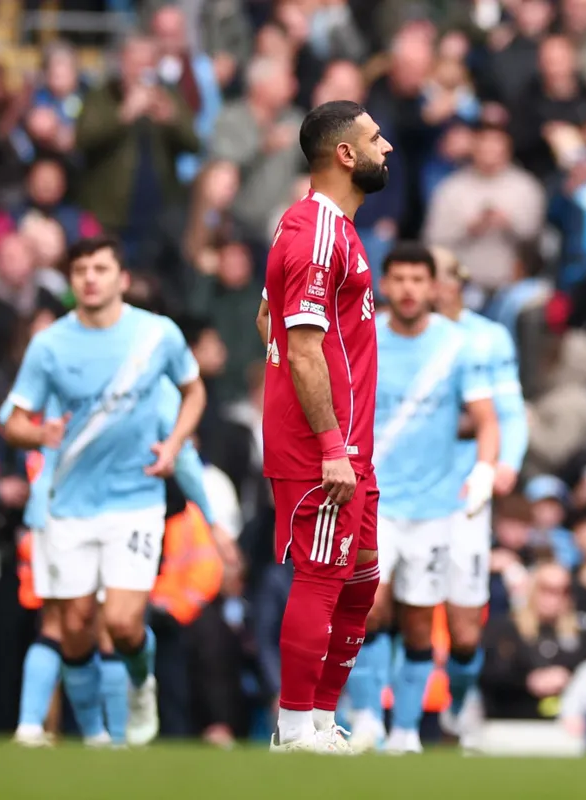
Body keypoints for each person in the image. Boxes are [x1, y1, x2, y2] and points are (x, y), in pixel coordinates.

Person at [0, 235, 208, 748]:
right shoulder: (50, 345)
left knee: (121, 622)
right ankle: (94, 736)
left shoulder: (156, 335)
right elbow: (12, 421)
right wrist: (39, 433)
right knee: (73, 627)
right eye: (80, 271)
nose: (90, 278)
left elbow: (194, 389)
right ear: (71, 282)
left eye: (100, 268)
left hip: (134, 501)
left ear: (122, 278)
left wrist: (174, 445)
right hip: (67, 506)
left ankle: (141, 686)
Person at [261, 100, 391, 753]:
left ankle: (318, 721)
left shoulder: (329, 228)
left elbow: (269, 320)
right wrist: (330, 444)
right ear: (345, 155)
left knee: (361, 577)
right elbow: (303, 346)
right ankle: (292, 728)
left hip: (348, 445)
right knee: (320, 575)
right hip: (324, 449)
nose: (387, 146)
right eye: (374, 137)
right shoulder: (315, 233)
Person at [6, 378, 225, 748]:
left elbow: (180, 441)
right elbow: (13, 423)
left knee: (111, 626)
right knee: (65, 624)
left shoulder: (97, 360)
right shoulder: (76, 356)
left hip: (113, 513)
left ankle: (114, 736)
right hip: (67, 511)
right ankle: (64, 731)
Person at [347, 242, 500, 754]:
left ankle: (407, 729)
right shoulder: (364, 339)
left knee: (417, 621)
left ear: (433, 287)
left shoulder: (460, 346)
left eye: (419, 280)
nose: (409, 289)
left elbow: (487, 420)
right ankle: (367, 716)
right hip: (376, 503)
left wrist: (484, 469)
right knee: (368, 610)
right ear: (384, 286)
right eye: (400, 280)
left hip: (435, 509)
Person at [431, 245, 530, 746]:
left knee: (464, 625)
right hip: (402, 491)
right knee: (382, 606)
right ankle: (370, 715)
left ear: (458, 283)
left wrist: (504, 463)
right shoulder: (391, 333)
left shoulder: (486, 338)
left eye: (443, 276)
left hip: (465, 489)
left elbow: (508, 412)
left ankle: (460, 693)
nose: (433, 286)